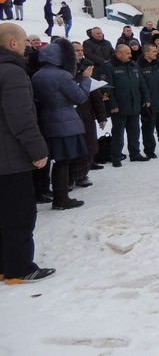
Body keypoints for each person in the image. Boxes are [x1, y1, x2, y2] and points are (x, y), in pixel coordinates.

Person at [0, 23, 55, 283]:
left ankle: (4, 266)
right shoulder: (12, 73)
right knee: (19, 214)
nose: (26, 47)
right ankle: (19, 268)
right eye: (23, 43)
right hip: (11, 157)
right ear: (12, 44)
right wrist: (38, 149)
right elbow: (21, 117)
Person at [31, 38, 94, 210]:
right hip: (65, 123)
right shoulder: (62, 75)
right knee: (63, 162)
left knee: (53, 160)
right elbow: (80, 97)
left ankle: (53, 194)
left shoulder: (37, 75)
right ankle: (61, 198)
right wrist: (86, 79)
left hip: (47, 121)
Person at [98, 45, 151, 167]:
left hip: (134, 105)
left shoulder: (134, 66)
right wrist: (112, 105)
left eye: (130, 53)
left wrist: (146, 98)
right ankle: (116, 156)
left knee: (135, 131)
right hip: (119, 107)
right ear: (118, 54)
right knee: (118, 133)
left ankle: (135, 153)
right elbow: (106, 88)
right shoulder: (108, 67)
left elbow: (142, 84)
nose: (130, 55)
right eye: (127, 53)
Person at [72, 42, 108, 179]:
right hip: (72, 114)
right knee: (75, 148)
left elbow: (96, 95)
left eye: (81, 50)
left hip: (87, 113)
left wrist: (102, 117)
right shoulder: (64, 68)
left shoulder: (88, 65)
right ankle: (72, 177)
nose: (80, 52)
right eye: (76, 50)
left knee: (89, 145)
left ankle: (83, 174)